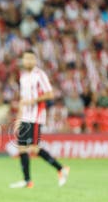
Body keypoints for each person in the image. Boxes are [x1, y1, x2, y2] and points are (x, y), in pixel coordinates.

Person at [9, 50, 70, 189]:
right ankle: (27, 180)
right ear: (23, 61)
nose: (28, 61)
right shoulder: (23, 77)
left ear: (35, 60)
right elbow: (23, 100)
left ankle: (61, 169)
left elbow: (50, 94)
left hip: (36, 116)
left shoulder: (40, 75)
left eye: (31, 58)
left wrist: (34, 100)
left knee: (34, 148)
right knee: (22, 148)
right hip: (25, 116)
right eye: (26, 59)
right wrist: (18, 119)